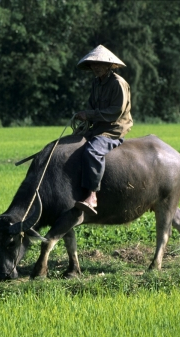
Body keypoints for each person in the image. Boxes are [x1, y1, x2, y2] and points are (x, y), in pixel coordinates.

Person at [74, 45, 133, 215]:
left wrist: (90, 114)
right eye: (93, 64)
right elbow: (91, 106)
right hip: (98, 126)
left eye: (99, 64)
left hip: (114, 128)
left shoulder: (118, 83)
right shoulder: (96, 83)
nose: (95, 67)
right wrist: (84, 119)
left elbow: (116, 111)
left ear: (109, 65)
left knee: (92, 151)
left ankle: (92, 196)